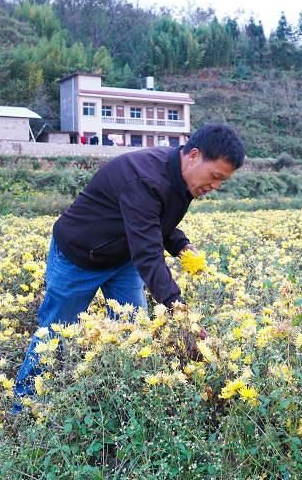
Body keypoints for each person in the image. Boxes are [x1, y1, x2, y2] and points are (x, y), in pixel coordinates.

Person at [14, 123, 245, 400]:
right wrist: (180, 312)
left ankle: (121, 397)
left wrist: (180, 244)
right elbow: (148, 253)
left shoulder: (181, 177)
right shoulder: (145, 178)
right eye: (215, 176)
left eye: (223, 181)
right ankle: (24, 404)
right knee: (54, 335)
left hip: (121, 258)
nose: (216, 186)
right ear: (194, 155)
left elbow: (156, 220)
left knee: (133, 330)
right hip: (78, 258)